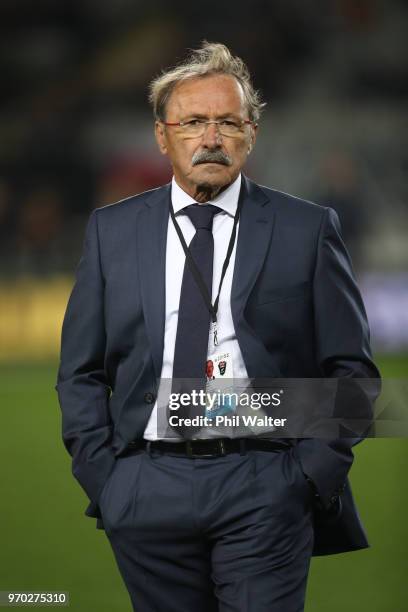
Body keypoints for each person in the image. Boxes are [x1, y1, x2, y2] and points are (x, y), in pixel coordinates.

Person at [56, 42, 380, 612]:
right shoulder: (112, 231)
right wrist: (106, 479)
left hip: (265, 482)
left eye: (228, 122)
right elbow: (80, 371)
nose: (211, 138)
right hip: (145, 486)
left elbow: (354, 378)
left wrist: (307, 474)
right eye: (194, 122)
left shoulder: (306, 229)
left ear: (251, 133)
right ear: (163, 136)